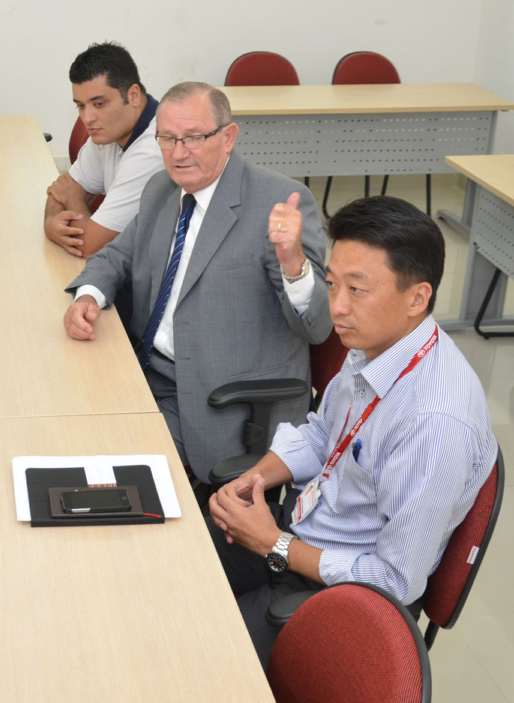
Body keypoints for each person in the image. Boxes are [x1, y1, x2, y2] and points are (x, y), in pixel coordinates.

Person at [207, 195, 499, 666]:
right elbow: (324, 434)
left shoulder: (434, 423)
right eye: (331, 284)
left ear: (417, 297)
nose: (336, 308)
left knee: (197, 648)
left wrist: (273, 544)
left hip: (338, 589)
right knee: (174, 562)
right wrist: (254, 481)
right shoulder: (378, 342)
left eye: (357, 290)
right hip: (301, 534)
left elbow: (396, 581)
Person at [63, 82, 332, 483]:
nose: (178, 152)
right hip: (144, 369)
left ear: (228, 137)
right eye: (167, 139)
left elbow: (317, 326)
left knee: (109, 472)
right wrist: (88, 295)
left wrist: (293, 262)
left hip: (220, 399)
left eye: (193, 137)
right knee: (63, 430)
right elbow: (119, 254)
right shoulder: (162, 189)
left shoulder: (280, 201)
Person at [44, 42, 165, 258]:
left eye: (99, 104)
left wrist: (73, 199)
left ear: (133, 96)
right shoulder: (109, 131)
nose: (87, 118)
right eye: (80, 106)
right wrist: (51, 223)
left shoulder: (153, 151)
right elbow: (62, 187)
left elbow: (89, 246)